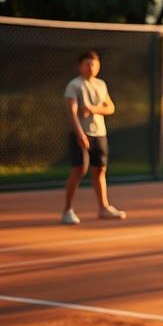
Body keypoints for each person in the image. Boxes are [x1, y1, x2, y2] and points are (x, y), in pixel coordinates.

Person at [61, 50, 126, 224]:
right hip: (81, 134)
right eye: (87, 64)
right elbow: (72, 111)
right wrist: (80, 133)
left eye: (94, 64)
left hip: (100, 133)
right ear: (80, 66)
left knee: (100, 169)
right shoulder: (74, 85)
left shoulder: (101, 84)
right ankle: (67, 210)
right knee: (80, 169)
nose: (91, 67)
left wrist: (93, 109)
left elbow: (110, 108)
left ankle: (104, 208)